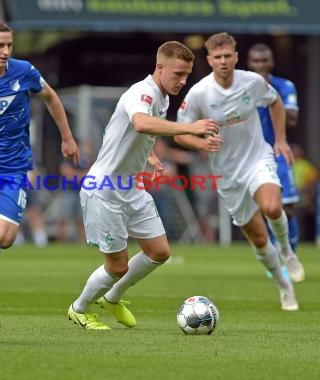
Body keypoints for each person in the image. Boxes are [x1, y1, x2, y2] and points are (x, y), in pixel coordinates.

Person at [68, 41, 219, 330]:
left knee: (160, 252)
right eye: (178, 73)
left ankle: (112, 298)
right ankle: (79, 308)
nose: (183, 81)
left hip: (131, 187)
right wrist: (190, 127)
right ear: (160, 67)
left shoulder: (162, 97)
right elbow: (139, 123)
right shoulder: (142, 92)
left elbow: (134, 131)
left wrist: (149, 155)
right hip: (104, 190)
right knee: (117, 266)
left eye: (187, 75)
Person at [0, 21, 79, 316]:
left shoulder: (25, 72)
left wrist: (67, 137)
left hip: (15, 166)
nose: (6, 51)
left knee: (6, 239)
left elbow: (51, 97)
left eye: (9, 45)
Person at [175, 32, 304, 311]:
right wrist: (201, 142)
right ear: (209, 60)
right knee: (258, 239)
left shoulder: (253, 82)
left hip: (258, 158)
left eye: (227, 56)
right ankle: (285, 286)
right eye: (217, 57)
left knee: (271, 207)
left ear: (235, 57)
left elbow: (275, 102)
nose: (223, 61)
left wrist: (280, 140)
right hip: (227, 173)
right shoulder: (199, 93)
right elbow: (180, 133)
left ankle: (287, 251)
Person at [247, 43, 301, 261]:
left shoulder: (284, 86)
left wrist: (271, 98)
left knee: (286, 208)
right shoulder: (240, 88)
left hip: (278, 152)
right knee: (263, 209)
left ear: (271, 62)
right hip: (250, 155)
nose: (260, 65)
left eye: (264, 61)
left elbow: (293, 119)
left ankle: (290, 254)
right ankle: (274, 258)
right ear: (249, 63)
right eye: (256, 61)